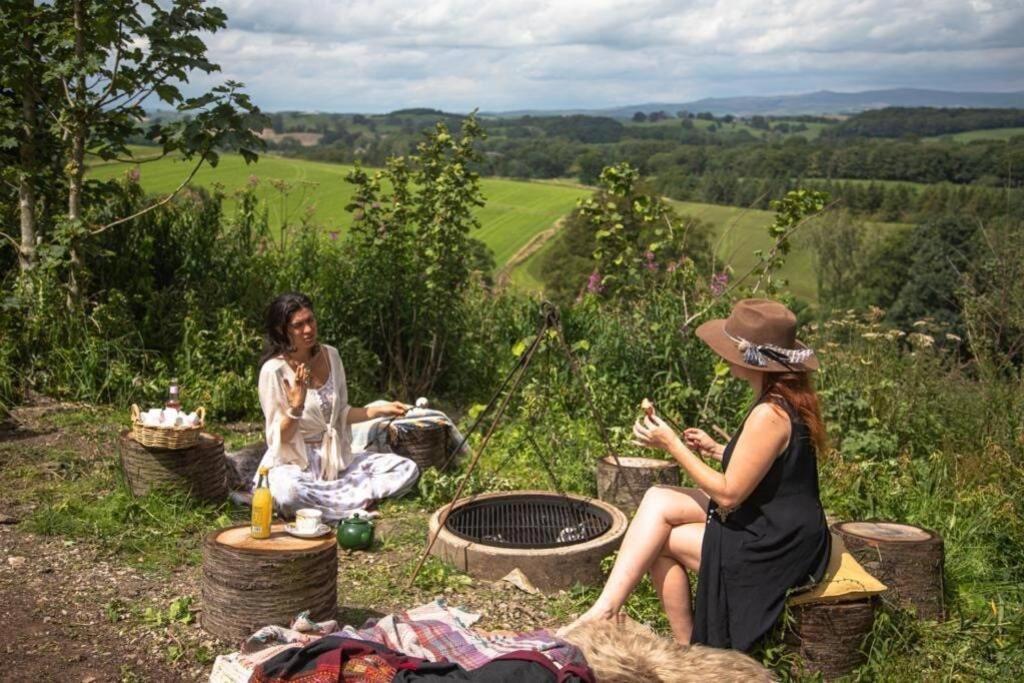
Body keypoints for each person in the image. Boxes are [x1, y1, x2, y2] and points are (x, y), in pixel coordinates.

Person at [561, 299, 831, 652]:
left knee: (659, 543)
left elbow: (729, 495)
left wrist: (672, 444)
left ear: (753, 359)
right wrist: (719, 450)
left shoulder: (770, 413)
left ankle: (687, 646)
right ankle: (606, 610)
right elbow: (775, 465)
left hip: (777, 544)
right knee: (659, 498)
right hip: (779, 522)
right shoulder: (782, 399)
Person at [255, 292, 419, 523]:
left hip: (335, 461)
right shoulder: (274, 371)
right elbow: (278, 437)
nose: (308, 330)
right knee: (288, 493)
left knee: (406, 468)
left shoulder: (331, 355)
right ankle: (348, 505)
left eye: (310, 320)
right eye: (298, 325)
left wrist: (380, 410)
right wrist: (296, 406)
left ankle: (330, 502)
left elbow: (340, 414)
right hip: (295, 463)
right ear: (283, 330)